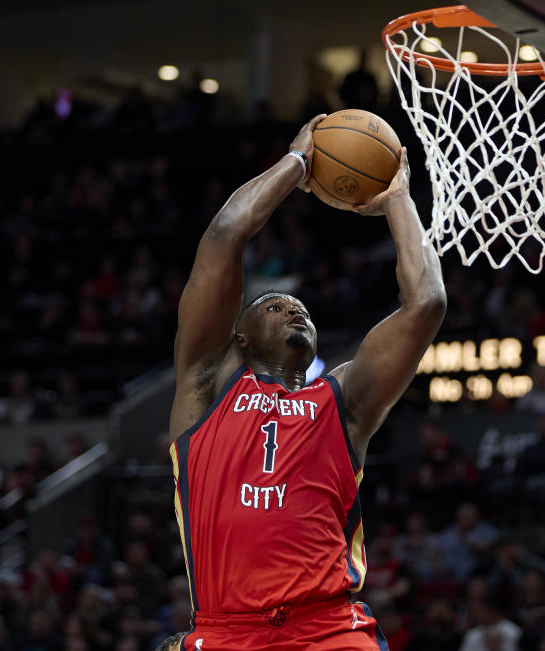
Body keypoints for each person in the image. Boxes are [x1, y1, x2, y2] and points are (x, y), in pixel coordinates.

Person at [167, 115, 446, 650]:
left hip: (329, 630)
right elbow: (226, 234)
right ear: (240, 339)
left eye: (300, 308)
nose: (294, 310)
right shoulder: (205, 384)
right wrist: (298, 164)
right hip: (228, 631)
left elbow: (427, 304)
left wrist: (397, 201)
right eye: (274, 306)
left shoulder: (342, 402)